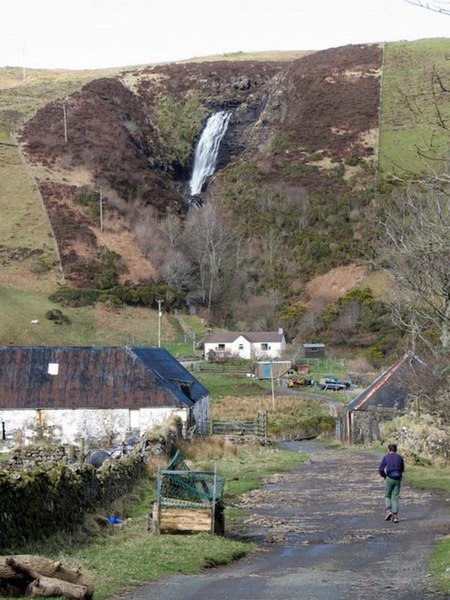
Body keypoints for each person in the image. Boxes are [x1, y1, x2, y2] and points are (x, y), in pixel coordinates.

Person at [378, 443, 405, 523]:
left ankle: (389, 511)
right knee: (395, 497)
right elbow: (402, 468)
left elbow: (381, 469)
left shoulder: (386, 457)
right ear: (396, 450)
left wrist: (384, 476)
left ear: (388, 450)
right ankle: (396, 516)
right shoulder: (400, 458)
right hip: (398, 478)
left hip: (389, 477)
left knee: (387, 495)